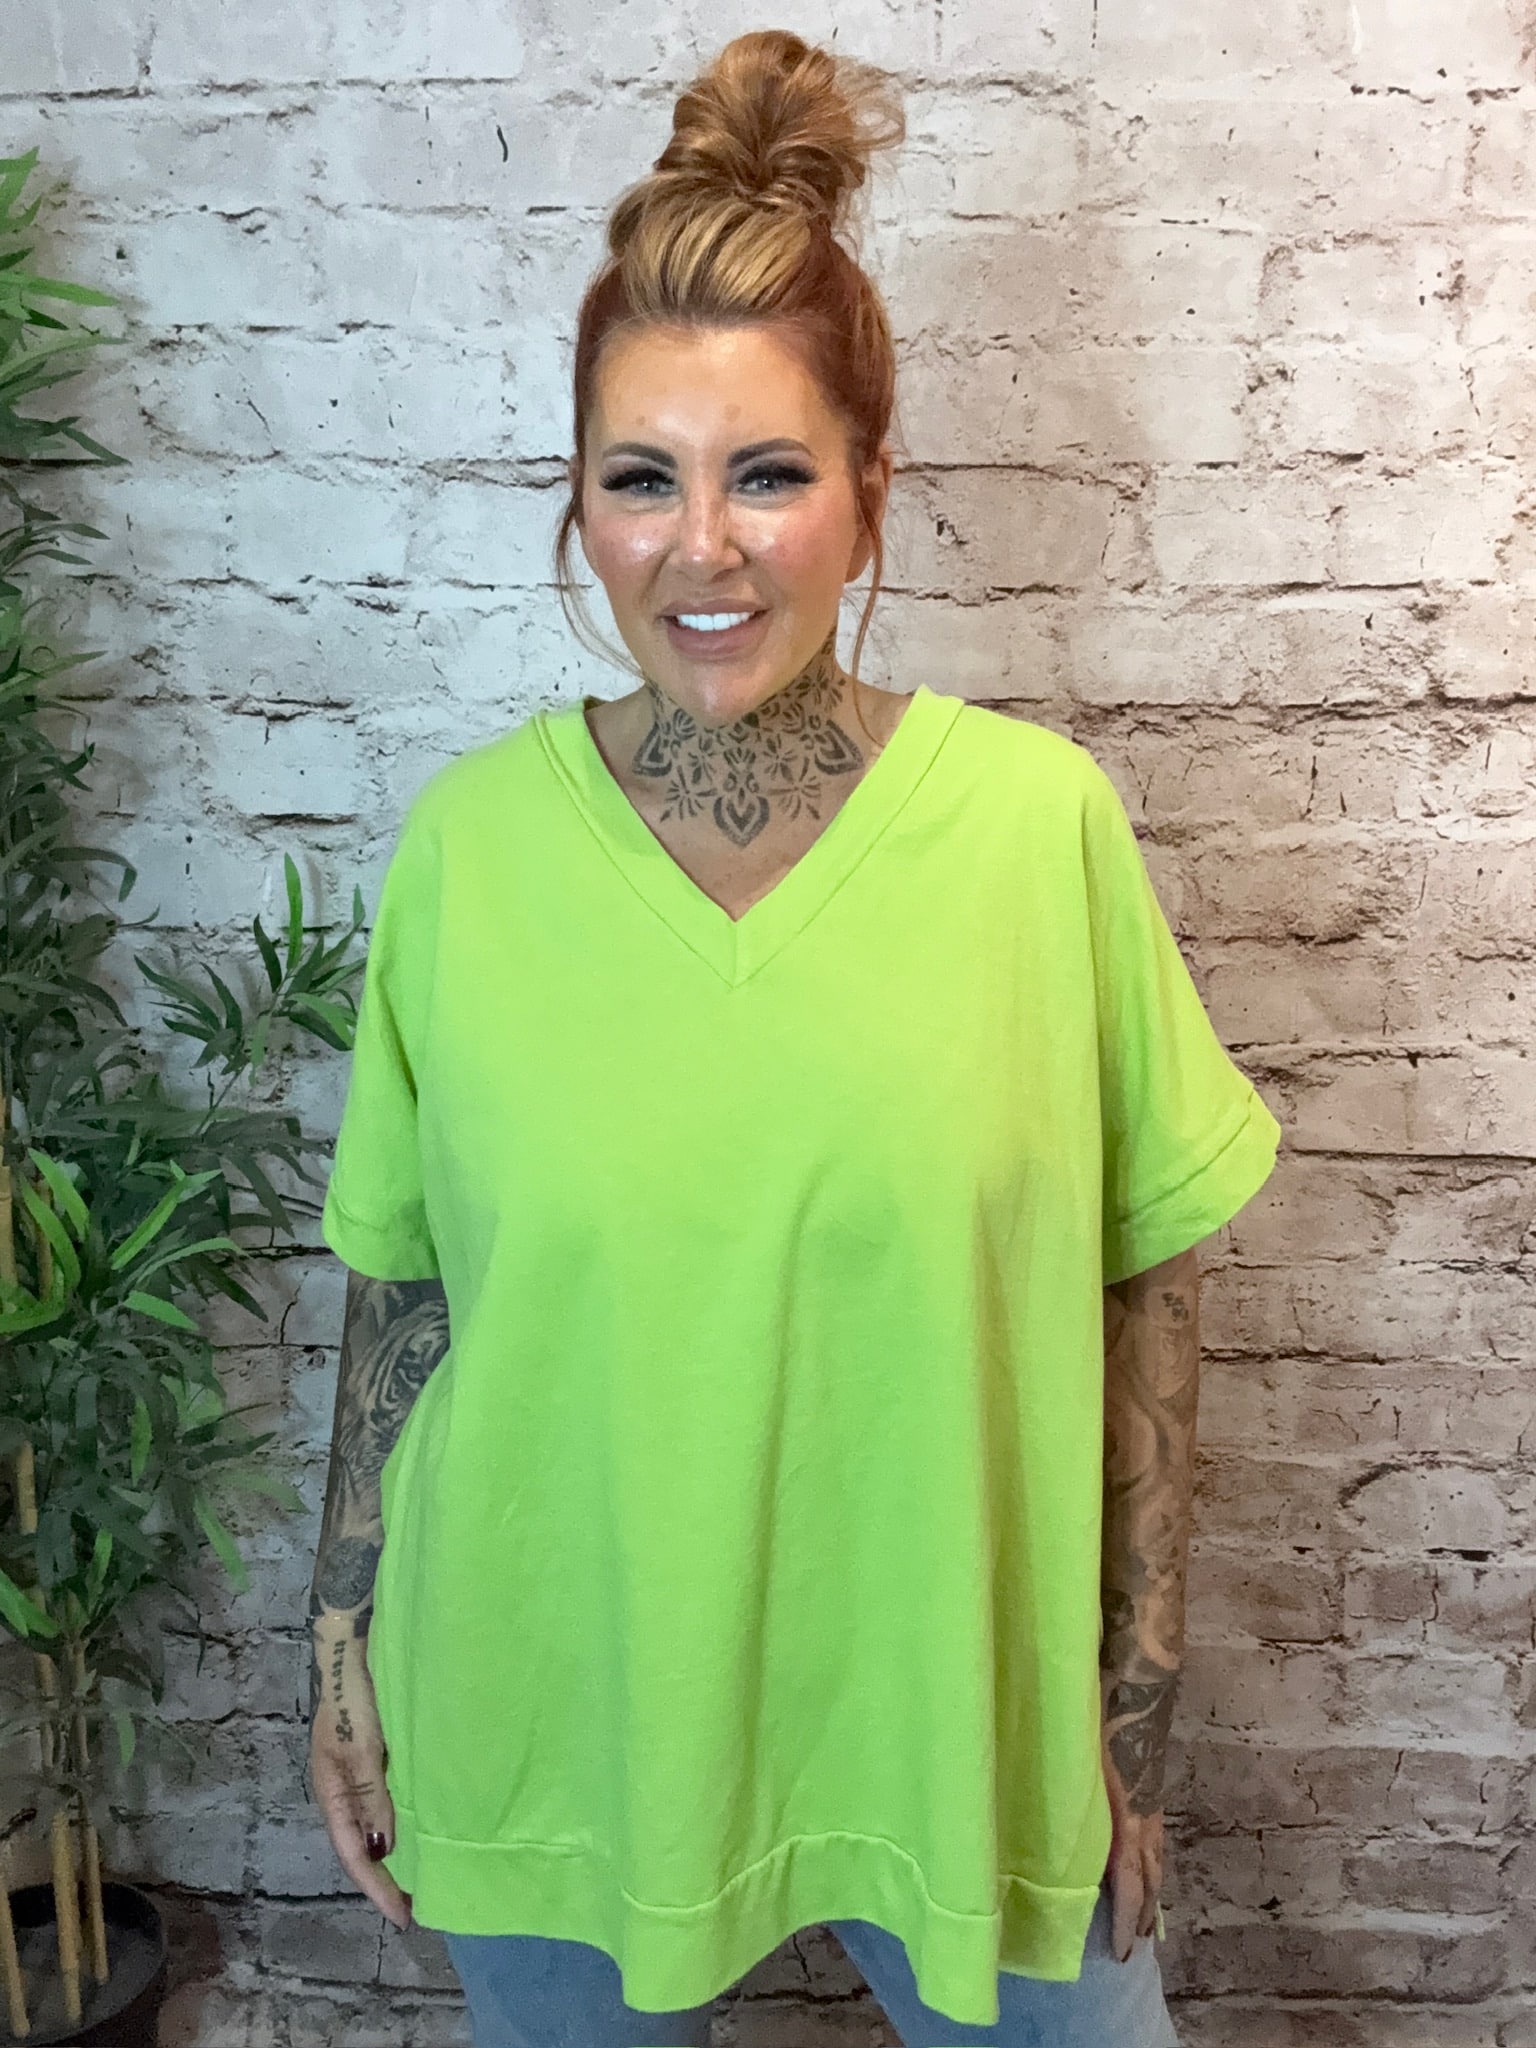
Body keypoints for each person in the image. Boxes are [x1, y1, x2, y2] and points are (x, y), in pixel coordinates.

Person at [305, 29, 1282, 2048]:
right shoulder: (471, 854)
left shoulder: (1034, 835)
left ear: (869, 491)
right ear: (579, 506)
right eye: (640, 479)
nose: (706, 547)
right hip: (551, 1704)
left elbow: (1150, 1287)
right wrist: (337, 1642)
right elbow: (406, 1290)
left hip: (961, 1724)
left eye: (768, 473)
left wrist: (1131, 1718)